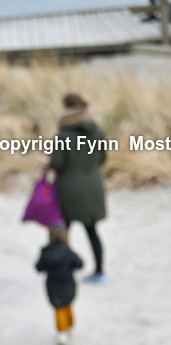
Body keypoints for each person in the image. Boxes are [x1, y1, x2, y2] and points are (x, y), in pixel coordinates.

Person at [48, 93, 107, 283]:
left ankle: (65, 268)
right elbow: (102, 158)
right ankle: (99, 271)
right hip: (93, 186)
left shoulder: (63, 135)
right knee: (92, 231)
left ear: (66, 108)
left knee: (63, 230)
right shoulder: (97, 131)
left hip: (70, 188)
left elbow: (56, 163)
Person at [35, 222, 83, 345]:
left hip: (53, 286)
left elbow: (39, 267)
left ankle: (62, 332)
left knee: (58, 308)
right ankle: (70, 323)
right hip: (68, 284)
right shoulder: (68, 252)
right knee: (67, 304)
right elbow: (80, 264)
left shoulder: (45, 253)